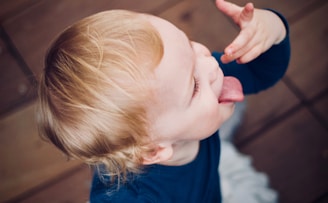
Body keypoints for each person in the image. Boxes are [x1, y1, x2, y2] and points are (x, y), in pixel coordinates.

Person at [38, 0, 290, 202]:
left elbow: (259, 73)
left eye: (190, 46)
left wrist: (273, 29)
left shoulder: (180, 93)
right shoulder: (136, 198)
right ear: (154, 150)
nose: (212, 64)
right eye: (195, 86)